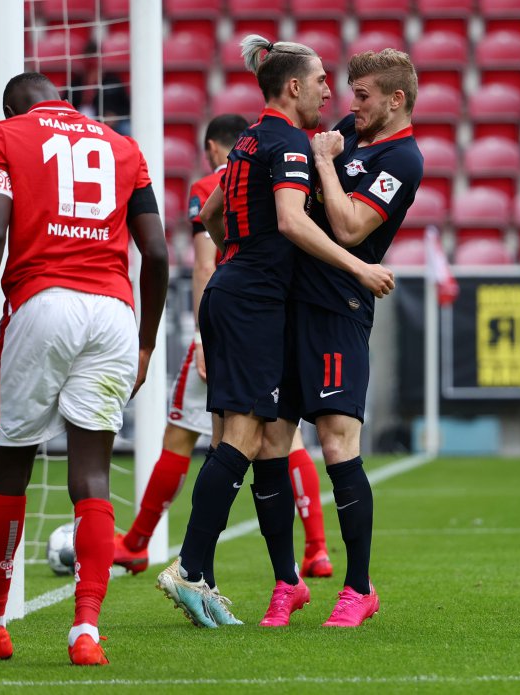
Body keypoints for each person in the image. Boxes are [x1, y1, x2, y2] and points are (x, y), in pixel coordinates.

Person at [155, 34, 394, 629]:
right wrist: (359, 266)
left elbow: (209, 215)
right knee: (241, 436)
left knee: (247, 439)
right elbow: (291, 221)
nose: (327, 92)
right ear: (293, 87)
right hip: (254, 300)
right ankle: (188, 567)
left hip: (231, 290)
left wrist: (237, 250)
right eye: (319, 82)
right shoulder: (287, 142)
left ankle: (202, 574)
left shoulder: (246, 142)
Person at [0, 72, 168, 666]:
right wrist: (146, 342)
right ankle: (86, 632)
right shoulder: (124, 146)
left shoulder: (2, 136)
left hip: (43, 303)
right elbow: (156, 252)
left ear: (11, 107)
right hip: (115, 315)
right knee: (92, 477)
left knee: (11, 466)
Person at [112, 114, 334, 581]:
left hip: (230, 319)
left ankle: (144, 544)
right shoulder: (291, 171)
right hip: (276, 318)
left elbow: (203, 264)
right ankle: (315, 549)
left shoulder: (218, 182)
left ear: (217, 147)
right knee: (284, 437)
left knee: (188, 436)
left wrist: (201, 336)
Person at [283, 47, 423, 627]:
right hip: (292, 301)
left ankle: (358, 586)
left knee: (339, 443)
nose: (350, 105)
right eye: (348, 93)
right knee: (271, 439)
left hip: (340, 306)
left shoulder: (403, 159)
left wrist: (321, 163)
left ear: (395, 100)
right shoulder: (351, 132)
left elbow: (347, 225)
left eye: (362, 96)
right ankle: (284, 584)